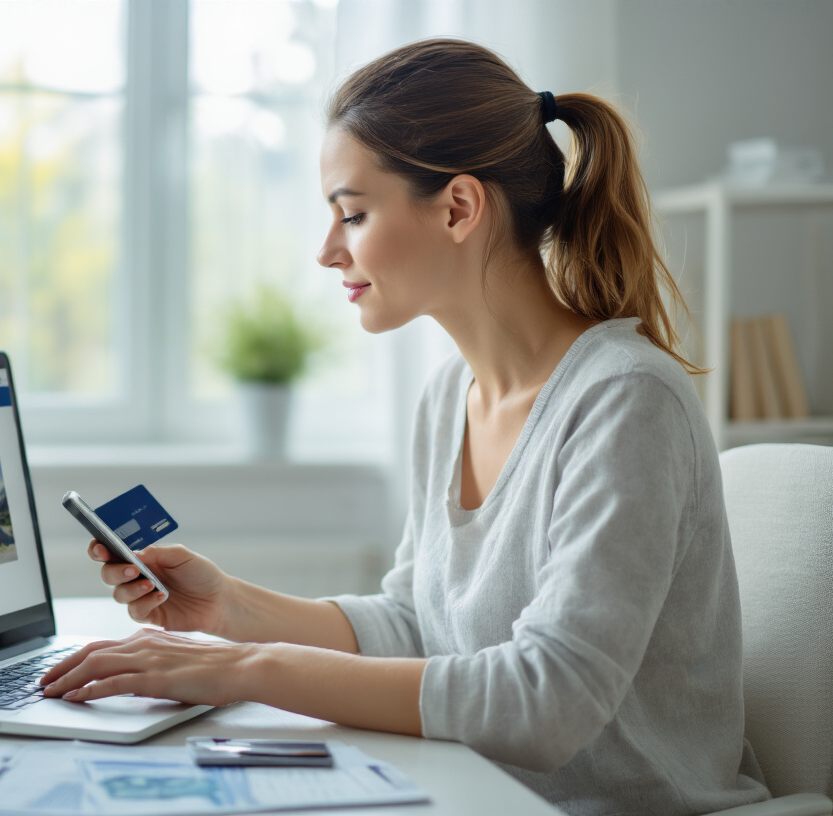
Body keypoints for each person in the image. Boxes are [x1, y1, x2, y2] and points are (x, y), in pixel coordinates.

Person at [40, 39, 770, 816]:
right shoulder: (449, 397)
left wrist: (245, 668)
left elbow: (548, 701)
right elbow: (416, 626)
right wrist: (229, 611)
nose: (328, 252)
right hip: (472, 795)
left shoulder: (626, 401)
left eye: (353, 214)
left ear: (459, 208)